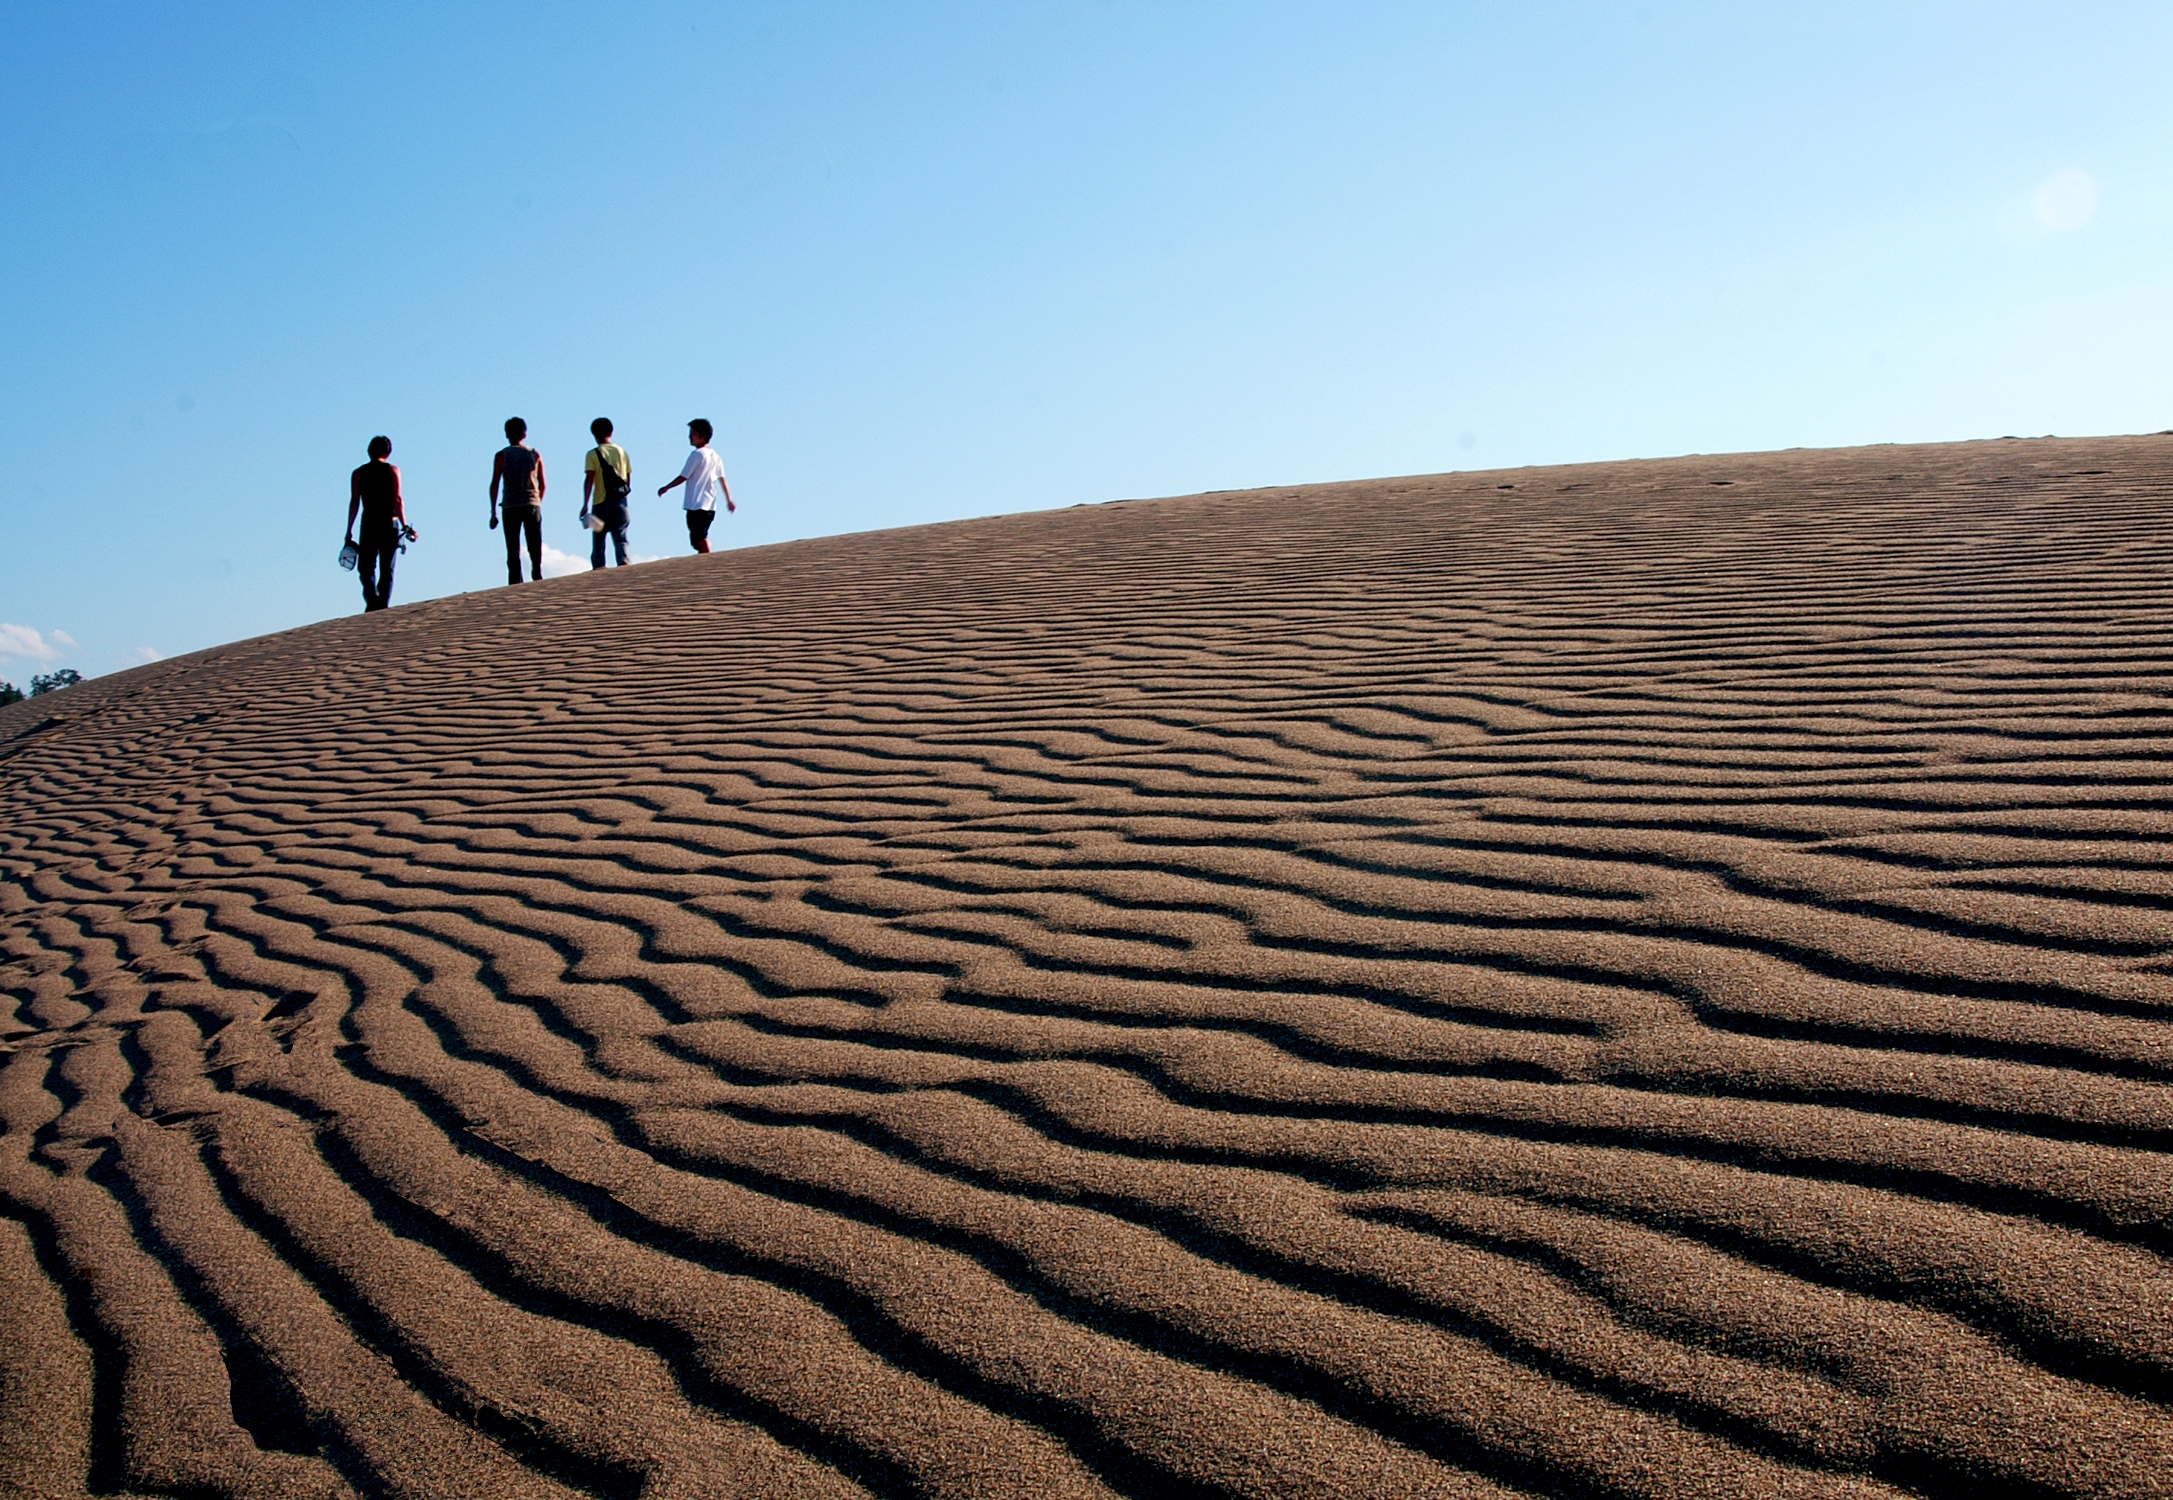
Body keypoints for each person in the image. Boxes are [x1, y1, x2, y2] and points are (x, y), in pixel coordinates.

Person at [347, 435, 416, 611]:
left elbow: (354, 502)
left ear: (369, 451)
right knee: (387, 568)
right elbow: (397, 500)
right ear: (388, 452)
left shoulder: (359, 474)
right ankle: (382, 604)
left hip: (369, 522)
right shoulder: (392, 471)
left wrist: (349, 531)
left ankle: (371, 597)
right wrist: (405, 525)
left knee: (366, 567)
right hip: (389, 524)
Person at [657, 418, 734, 553]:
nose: (690, 437)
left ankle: (708, 560)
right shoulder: (716, 456)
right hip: (710, 506)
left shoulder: (697, 454)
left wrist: (666, 487)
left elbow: (683, 476)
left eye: (693, 433)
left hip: (696, 505)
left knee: (699, 536)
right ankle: (704, 559)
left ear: (703, 436)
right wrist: (729, 500)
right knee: (698, 537)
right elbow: (723, 480)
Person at [488, 417, 546, 584]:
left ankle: (515, 581)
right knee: (534, 543)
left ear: (507, 434)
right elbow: (543, 483)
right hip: (531, 503)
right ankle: (537, 573)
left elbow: (495, 484)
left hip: (510, 505)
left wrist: (493, 510)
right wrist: (538, 500)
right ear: (524, 433)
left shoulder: (501, 455)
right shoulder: (534, 454)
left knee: (512, 547)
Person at [582, 418, 633, 569]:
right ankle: (624, 563)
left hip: (600, 502)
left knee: (599, 540)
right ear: (611, 432)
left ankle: (599, 570)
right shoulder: (622, 452)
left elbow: (589, 480)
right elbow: (628, 477)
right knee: (621, 537)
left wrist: (585, 504)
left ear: (594, 434)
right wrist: (623, 496)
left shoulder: (592, 454)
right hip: (620, 501)